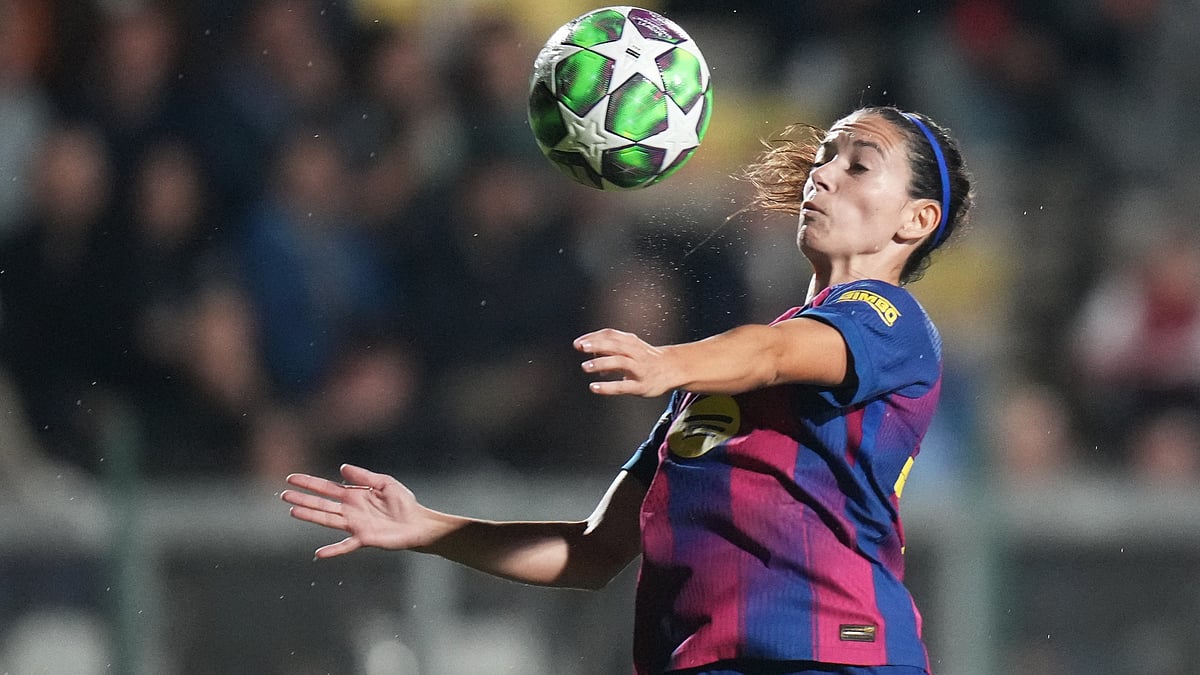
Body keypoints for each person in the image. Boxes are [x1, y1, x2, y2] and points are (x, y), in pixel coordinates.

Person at [281, 105, 973, 675]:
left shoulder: (891, 323)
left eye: (858, 164)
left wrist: (668, 360)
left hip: (832, 657)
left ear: (916, 220)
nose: (821, 173)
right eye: (824, 156)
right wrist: (430, 529)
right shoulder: (707, 387)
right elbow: (592, 551)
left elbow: (774, 351)